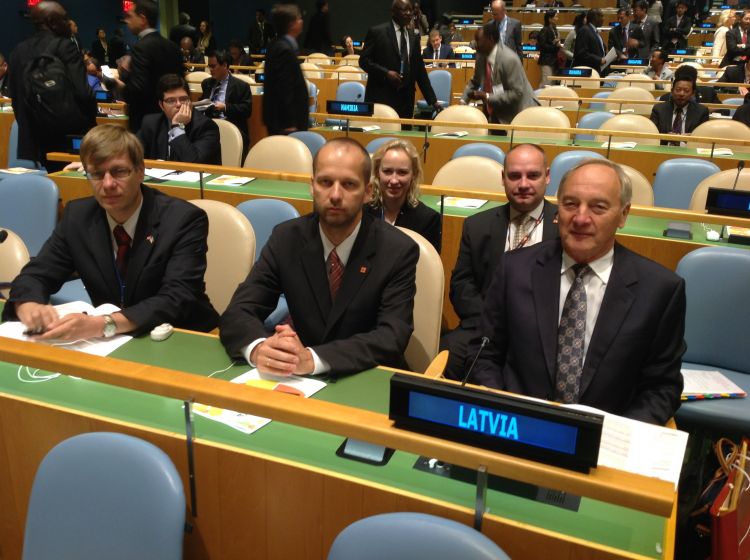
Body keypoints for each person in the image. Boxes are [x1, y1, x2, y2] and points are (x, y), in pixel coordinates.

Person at [467, 159, 685, 425]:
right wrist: (504, 414)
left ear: (623, 215)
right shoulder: (514, 269)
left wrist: (618, 435)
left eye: (598, 207)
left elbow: (661, 387)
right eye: (570, 204)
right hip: (517, 426)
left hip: (607, 436)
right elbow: (484, 355)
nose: (581, 218)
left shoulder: (660, 290)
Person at [219, 138, 418, 377]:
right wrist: (260, 349)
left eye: (349, 184)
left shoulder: (397, 250)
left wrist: (314, 359)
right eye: (326, 182)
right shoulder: (286, 238)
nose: (335, 195)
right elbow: (239, 311)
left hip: (368, 376)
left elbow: (391, 336)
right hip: (297, 377)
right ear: (312, 186)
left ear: (368, 192)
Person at [1, 124, 219, 339]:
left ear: (140, 171)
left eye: (119, 171)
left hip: (183, 335)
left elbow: (177, 298)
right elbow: (37, 274)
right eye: (96, 174)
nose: (107, 184)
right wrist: (27, 304)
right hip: (113, 341)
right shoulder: (78, 217)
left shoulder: (183, 219)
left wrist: (104, 324)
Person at [440, 144, 559, 380]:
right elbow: (461, 285)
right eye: (514, 176)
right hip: (485, 328)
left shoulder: (565, 227)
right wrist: (492, 322)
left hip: (544, 335)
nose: (523, 184)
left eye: (533, 175)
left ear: (547, 176)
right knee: (448, 354)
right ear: (503, 178)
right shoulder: (477, 226)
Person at [8, 1, 96, 170]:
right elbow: (83, 93)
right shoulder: (65, 46)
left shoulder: (18, 50)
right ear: (52, 22)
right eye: (64, 18)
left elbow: (16, 98)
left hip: (35, 139)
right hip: (69, 137)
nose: (68, 22)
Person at [106, 0, 184, 133]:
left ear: (142, 19)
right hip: (173, 118)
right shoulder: (173, 47)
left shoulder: (140, 48)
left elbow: (137, 92)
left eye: (130, 16)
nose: (127, 21)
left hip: (146, 123)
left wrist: (118, 83)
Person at [359, 0, 440, 120]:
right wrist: (386, 73)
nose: (409, 13)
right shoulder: (377, 32)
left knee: (404, 131)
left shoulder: (413, 36)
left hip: (406, 100)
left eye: (410, 10)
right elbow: (364, 61)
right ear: (393, 12)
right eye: (404, 10)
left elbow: (419, 71)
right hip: (382, 97)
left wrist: (433, 100)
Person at [366, 139, 441, 252]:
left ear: (413, 175)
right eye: (387, 171)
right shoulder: (362, 213)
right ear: (377, 173)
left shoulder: (428, 220)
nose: (394, 180)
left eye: (402, 172)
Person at [461, 22, 538, 126]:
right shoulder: (481, 55)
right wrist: (463, 101)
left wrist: (487, 96)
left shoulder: (509, 59)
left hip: (518, 112)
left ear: (491, 39)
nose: (476, 45)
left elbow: (516, 93)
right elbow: (476, 80)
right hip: (496, 109)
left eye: (479, 41)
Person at [137, 74, 221, 165]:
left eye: (183, 99)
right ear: (161, 105)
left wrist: (177, 127)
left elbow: (194, 164)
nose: (178, 104)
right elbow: (133, 156)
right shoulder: (151, 123)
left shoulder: (206, 126)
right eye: (171, 100)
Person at [262, 4, 308, 135]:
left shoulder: (276, 44)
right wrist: (289, 122)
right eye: (299, 18)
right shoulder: (284, 50)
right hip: (286, 124)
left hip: (279, 120)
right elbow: (284, 87)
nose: (301, 21)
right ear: (292, 24)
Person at [200, 50, 253, 158]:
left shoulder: (241, 86)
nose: (210, 70)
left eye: (213, 66)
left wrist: (225, 107)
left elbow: (246, 110)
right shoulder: (206, 83)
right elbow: (202, 102)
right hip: (209, 128)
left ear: (224, 65)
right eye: (209, 66)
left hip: (231, 128)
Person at [650, 65, 709, 145]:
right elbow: (652, 135)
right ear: (672, 91)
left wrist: (692, 138)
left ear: (692, 93)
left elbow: (703, 138)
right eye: (678, 90)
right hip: (665, 148)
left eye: (686, 91)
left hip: (689, 149)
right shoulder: (659, 109)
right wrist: (666, 137)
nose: (681, 94)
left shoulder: (701, 112)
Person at [573, 9, 606, 74]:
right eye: (602, 16)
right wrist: (599, 60)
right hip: (587, 72)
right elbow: (581, 53)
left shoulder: (593, 31)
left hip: (595, 70)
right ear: (595, 17)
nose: (604, 19)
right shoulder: (585, 30)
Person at [537, 9, 562, 87]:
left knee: (552, 83)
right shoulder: (545, 30)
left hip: (553, 60)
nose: (557, 19)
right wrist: (555, 45)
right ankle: (540, 95)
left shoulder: (554, 29)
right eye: (555, 17)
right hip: (546, 60)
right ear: (550, 18)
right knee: (546, 82)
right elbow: (542, 46)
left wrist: (556, 44)